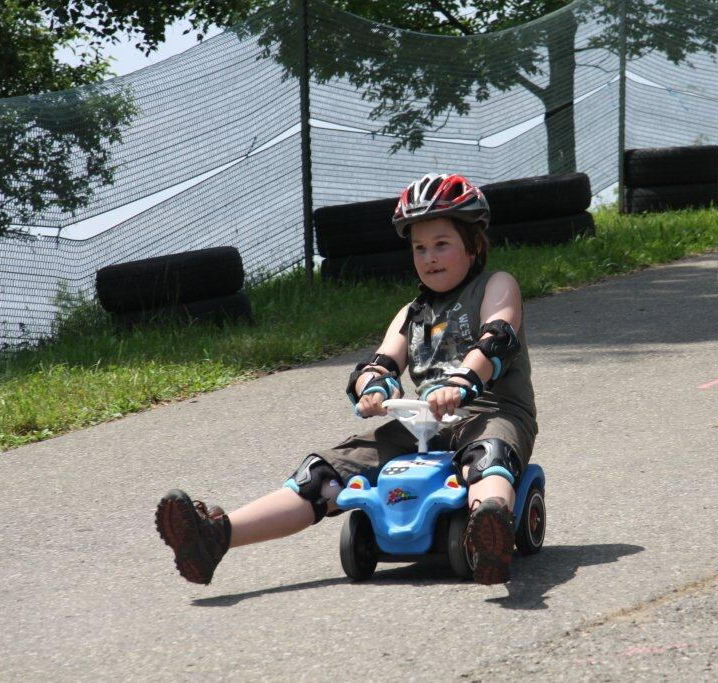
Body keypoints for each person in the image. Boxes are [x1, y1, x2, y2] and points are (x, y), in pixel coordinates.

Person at [155, 173, 537, 586]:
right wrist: (373, 388)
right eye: (419, 247)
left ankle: (489, 531)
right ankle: (215, 537)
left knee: (488, 455)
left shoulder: (494, 285)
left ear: (473, 244)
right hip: (423, 422)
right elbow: (380, 363)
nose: (430, 257)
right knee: (322, 475)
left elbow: (499, 337)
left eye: (442, 244)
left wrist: (463, 380)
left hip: (491, 411)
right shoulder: (412, 313)